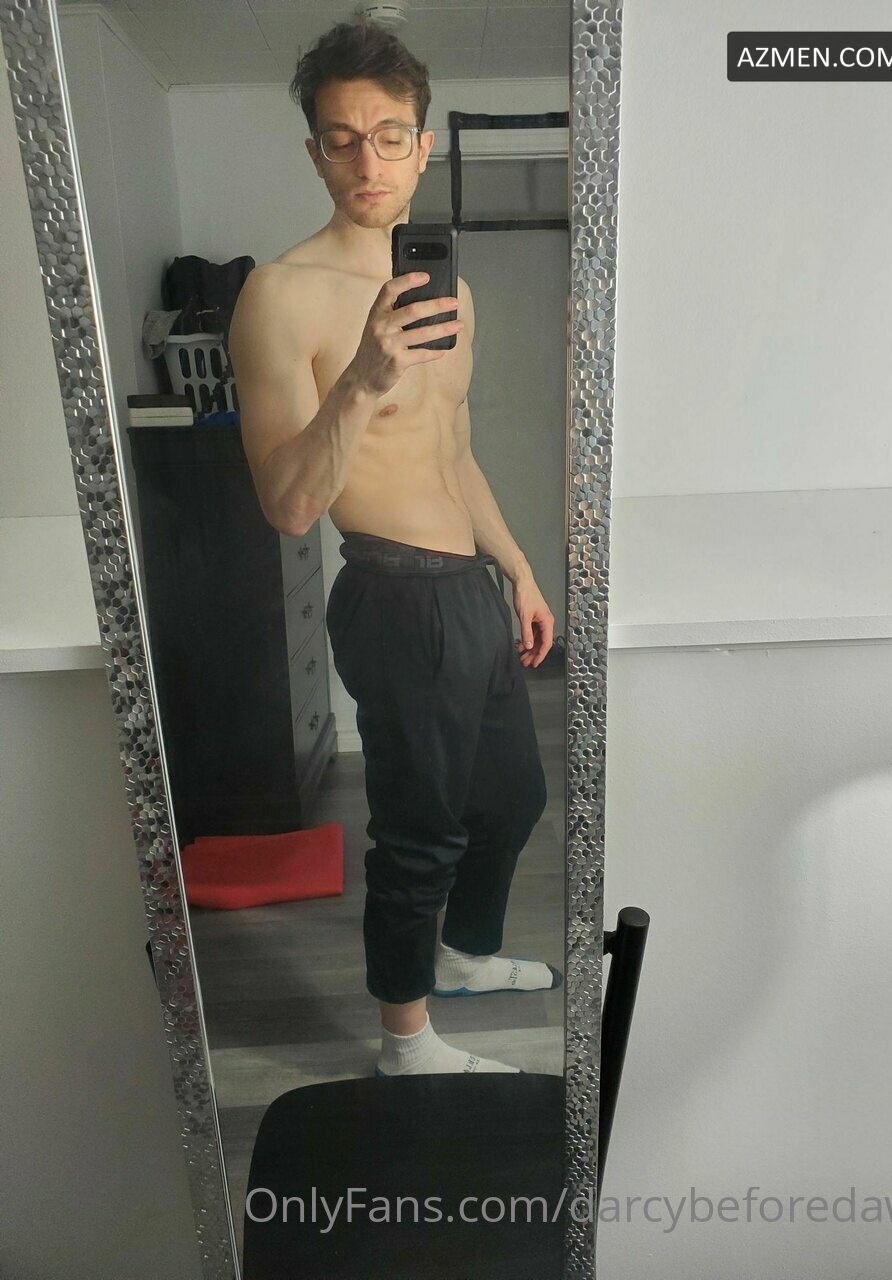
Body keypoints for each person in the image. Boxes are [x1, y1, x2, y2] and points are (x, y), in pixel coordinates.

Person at [229, 18, 561, 1077]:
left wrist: (517, 568)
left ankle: (461, 956)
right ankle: (404, 1040)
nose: (366, 160)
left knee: (512, 799)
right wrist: (363, 380)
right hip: (395, 595)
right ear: (315, 152)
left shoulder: (452, 293)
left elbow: (453, 450)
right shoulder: (278, 295)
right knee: (419, 831)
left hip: (470, 588)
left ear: (422, 147)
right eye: (341, 139)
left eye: (387, 136)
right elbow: (289, 505)